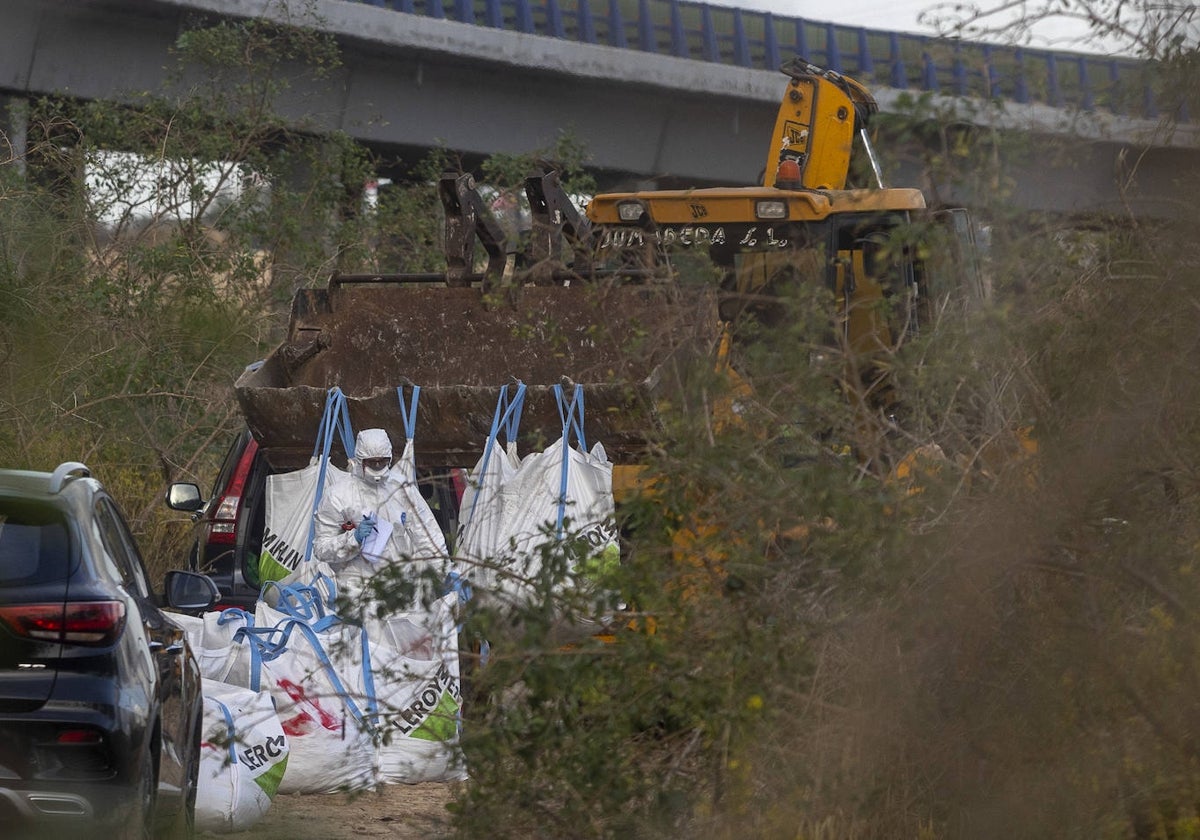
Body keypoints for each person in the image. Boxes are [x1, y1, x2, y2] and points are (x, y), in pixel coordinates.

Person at [312, 428, 448, 595]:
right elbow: (321, 548)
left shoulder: (402, 489)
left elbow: (427, 534)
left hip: (399, 585)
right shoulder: (338, 496)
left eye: (382, 461)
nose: (377, 467)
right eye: (372, 462)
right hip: (357, 589)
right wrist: (352, 539)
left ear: (390, 460)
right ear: (360, 460)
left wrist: (442, 570)